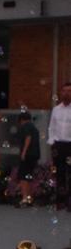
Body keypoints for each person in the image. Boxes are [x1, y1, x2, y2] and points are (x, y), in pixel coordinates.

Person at [47, 82, 71, 211]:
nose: (67, 93)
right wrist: (52, 142)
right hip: (59, 145)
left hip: (70, 145)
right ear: (61, 93)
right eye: (64, 91)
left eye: (69, 91)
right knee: (59, 173)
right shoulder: (56, 109)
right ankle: (60, 201)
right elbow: (52, 127)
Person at [16, 111, 40, 206]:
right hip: (35, 154)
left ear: (21, 120)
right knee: (29, 175)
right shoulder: (34, 127)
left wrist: (23, 152)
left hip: (28, 154)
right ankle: (30, 197)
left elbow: (28, 138)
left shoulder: (26, 126)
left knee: (23, 176)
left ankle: (25, 198)